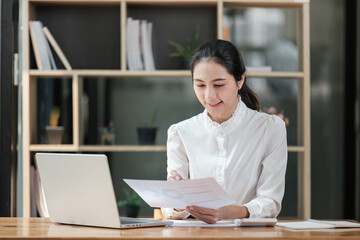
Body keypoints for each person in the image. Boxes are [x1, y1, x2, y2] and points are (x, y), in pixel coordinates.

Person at [161, 39, 287, 224]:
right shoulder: (180, 132)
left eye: (219, 85)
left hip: (249, 236)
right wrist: (179, 202)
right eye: (200, 85)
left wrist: (234, 212)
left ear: (240, 80)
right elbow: (169, 211)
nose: (209, 96)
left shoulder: (270, 128)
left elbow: (271, 202)